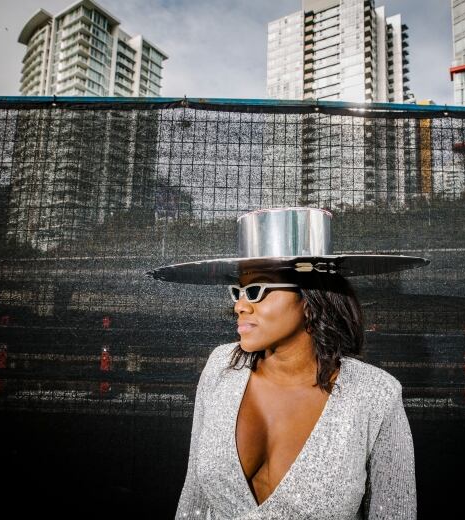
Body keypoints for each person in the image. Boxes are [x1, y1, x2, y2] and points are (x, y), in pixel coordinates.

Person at [148, 207, 428, 519]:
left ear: (310, 301)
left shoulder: (375, 394)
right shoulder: (221, 368)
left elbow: (395, 513)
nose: (240, 306)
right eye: (238, 291)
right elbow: (194, 499)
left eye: (256, 291)